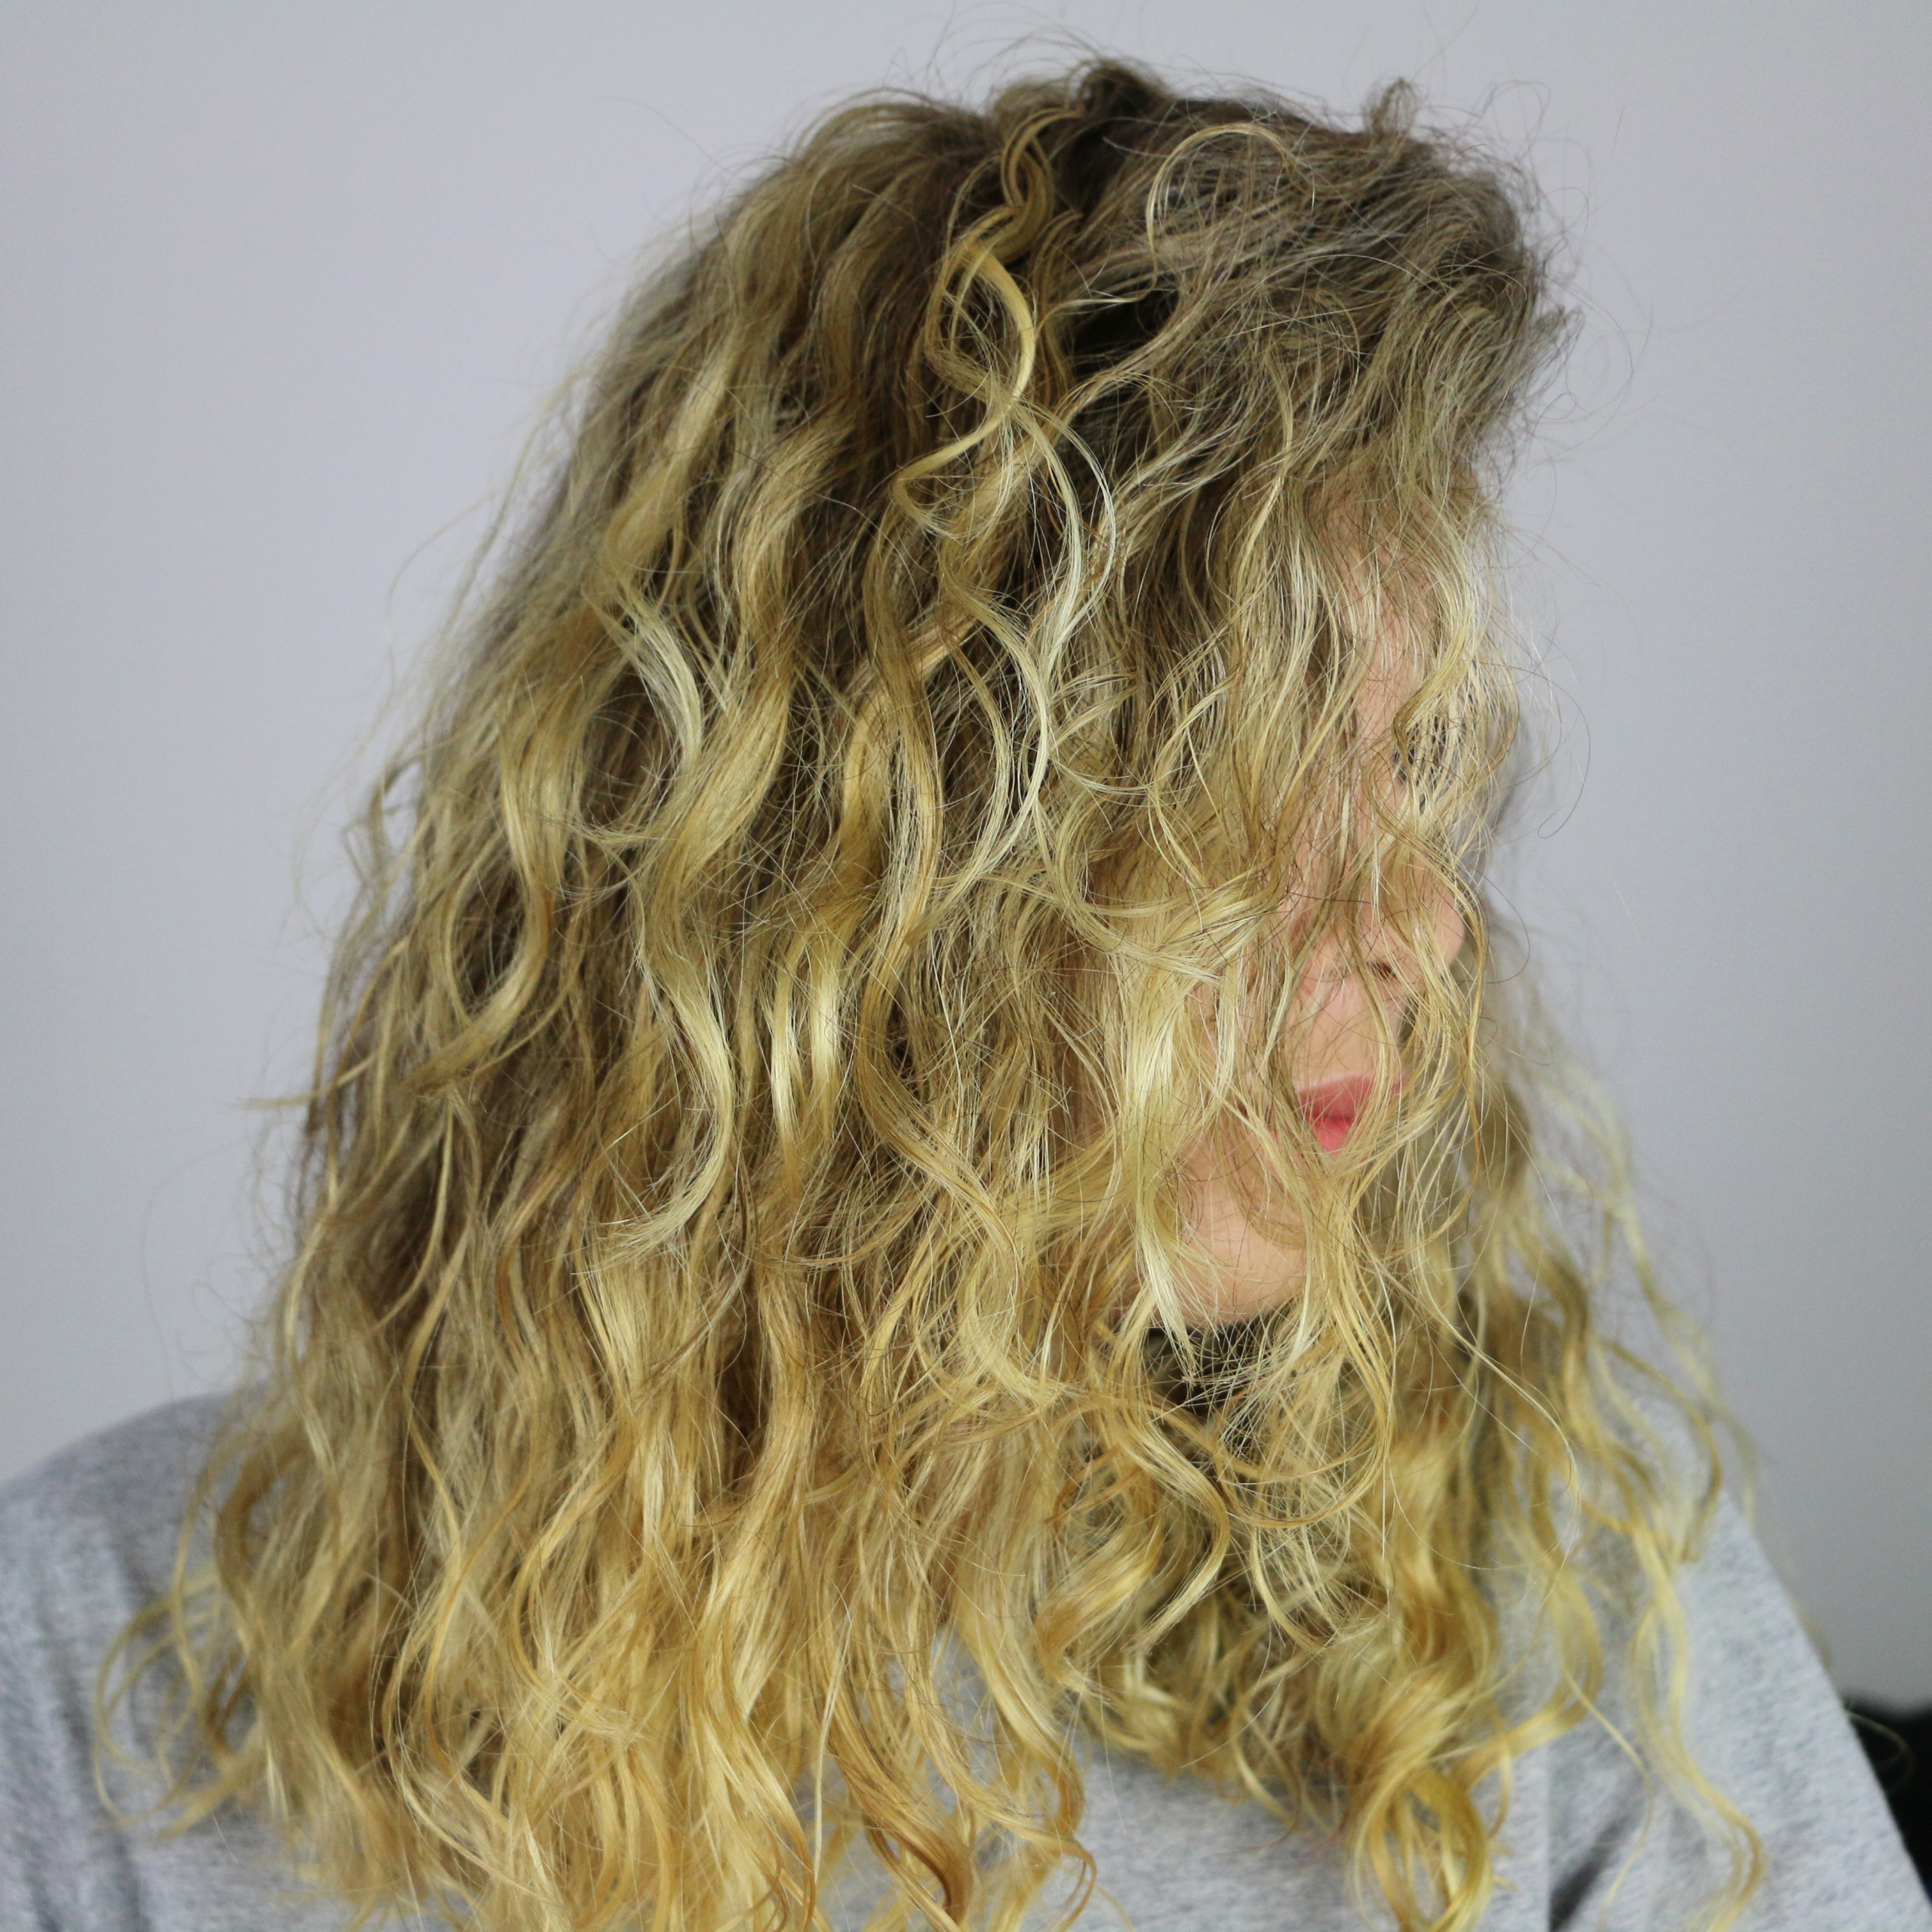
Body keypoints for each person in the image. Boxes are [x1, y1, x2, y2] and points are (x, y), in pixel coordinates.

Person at [0, 55, 1922, 1932]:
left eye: (1414, 770)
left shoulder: (1544, 1583)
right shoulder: (91, 1673)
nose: (1407, 920)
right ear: (812, 882)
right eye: (1235, 802)